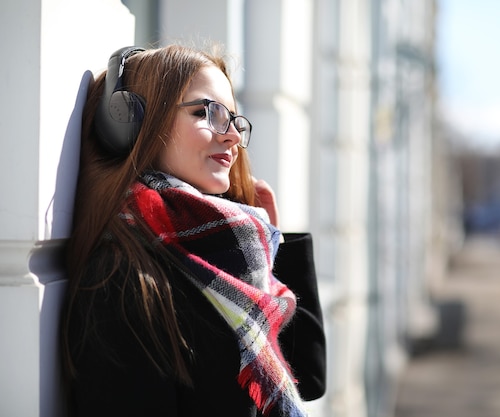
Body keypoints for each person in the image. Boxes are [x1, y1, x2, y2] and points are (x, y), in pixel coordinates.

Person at [61, 44, 326, 417]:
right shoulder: (122, 282)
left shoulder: (229, 247)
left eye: (234, 120)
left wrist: (276, 242)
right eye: (207, 112)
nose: (233, 136)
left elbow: (310, 378)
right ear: (132, 122)